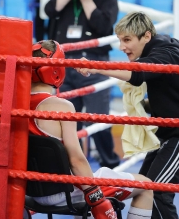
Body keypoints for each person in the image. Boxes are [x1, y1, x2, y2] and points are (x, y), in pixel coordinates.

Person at [76, 12, 179, 219]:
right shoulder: (159, 52)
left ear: (146, 36)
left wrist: (96, 67)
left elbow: (137, 74)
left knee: (157, 192)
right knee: (144, 188)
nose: (122, 47)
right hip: (169, 133)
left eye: (128, 40)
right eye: (120, 40)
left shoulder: (165, 54)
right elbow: (172, 92)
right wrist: (141, 105)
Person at [28, 40, 153, 219]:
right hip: (67, 191)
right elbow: (77, 160)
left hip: (32, 193)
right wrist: (95, 196)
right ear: (57, 69)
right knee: (146, 187)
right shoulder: (61, 107)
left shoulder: (15, 104)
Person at [44, 0, 120, 169]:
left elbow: (104, 28)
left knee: (98, 119)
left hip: (94, 63)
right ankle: (71, 166)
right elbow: (49, 10)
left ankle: (111, 167)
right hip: (64, 64)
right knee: (66, 120)